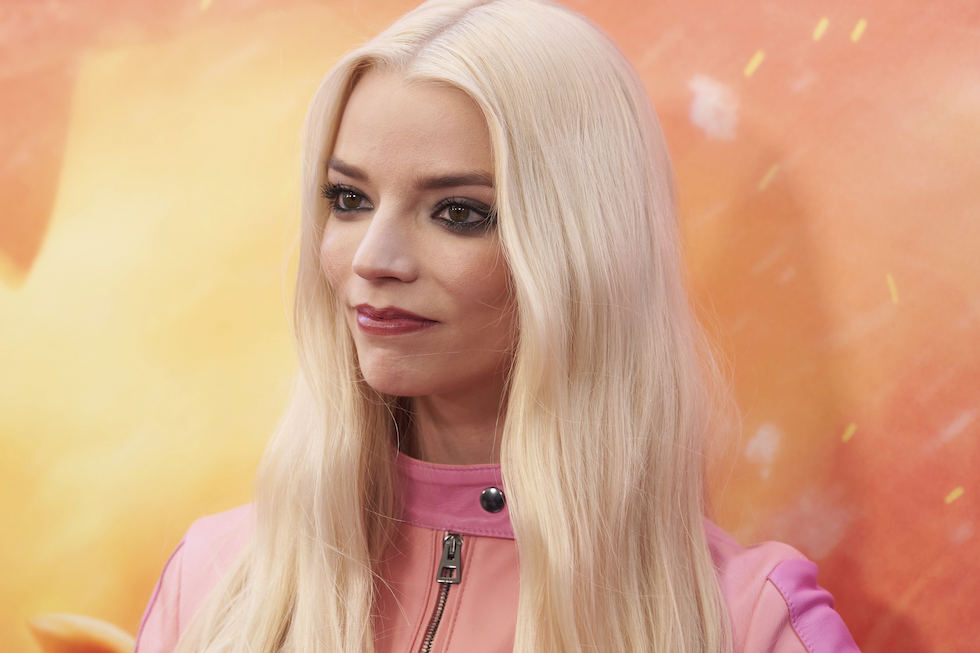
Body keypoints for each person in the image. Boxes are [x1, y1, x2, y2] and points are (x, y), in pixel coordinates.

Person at [135, 0, 860, 651]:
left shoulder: (748, 624)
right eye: (349, 199)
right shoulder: (218, 583)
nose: (373, 258)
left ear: (583, 249)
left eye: (458, 212)